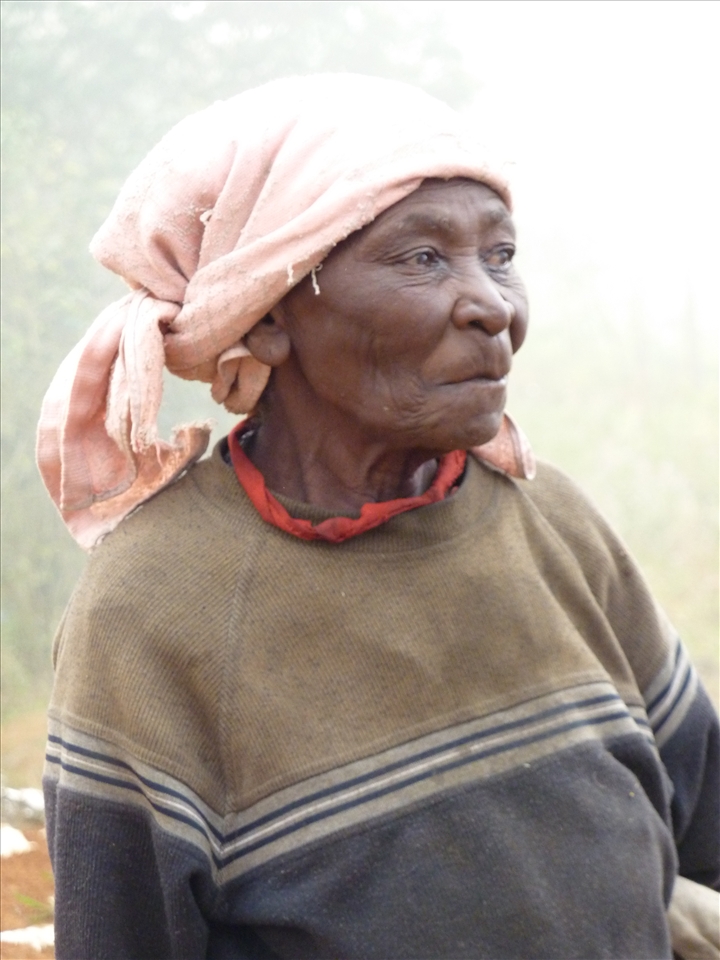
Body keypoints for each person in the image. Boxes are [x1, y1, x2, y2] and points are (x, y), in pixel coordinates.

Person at [37, 75, 718, 960]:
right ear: (271, 317)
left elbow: (700, 801)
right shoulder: (156, 607)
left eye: (500, 255)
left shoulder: (547, 515)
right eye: (423, 258)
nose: (495, 306)